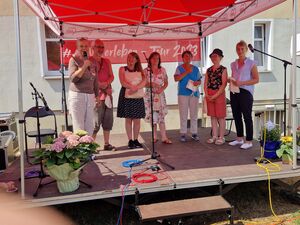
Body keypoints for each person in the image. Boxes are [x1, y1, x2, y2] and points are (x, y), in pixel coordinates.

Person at [229, 40, 259, 149]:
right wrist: (231, 80)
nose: (240, 51)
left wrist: (242, 82)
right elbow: (235, 78)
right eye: (238, 49)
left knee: (247, 116)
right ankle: (239, 138)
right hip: (234, 91)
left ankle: (249, 141)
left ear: (246, 50)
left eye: (242, 49)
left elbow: (256, 79)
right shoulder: (233, 64)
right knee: (236, 115)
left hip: (246, 92)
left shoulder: (251, 63)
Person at [68, 38, 98, 136]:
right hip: (77, 95)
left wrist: (97, 95)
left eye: (86, 46)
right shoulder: (73, 59)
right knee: (79, 125)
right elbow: (73, 79)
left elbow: (95, 79)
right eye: (81, 46)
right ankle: (80, 150)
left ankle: (88, 149)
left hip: (90, 96)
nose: (83, 48)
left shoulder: (91, 60)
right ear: (77, 47)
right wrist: (84, 67)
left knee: (90, 125)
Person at [117, 52, 146, 149]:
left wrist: (136, 88)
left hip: (137, 96)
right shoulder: (122, 69)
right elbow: (122, 82)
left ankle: (136, 139)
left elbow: (144, 82)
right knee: (128, 119)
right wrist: (132, 87)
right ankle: (130, 140)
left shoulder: (141, 71)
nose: (130, 60)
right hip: (127, 95)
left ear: (137, 60)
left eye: (133, 58)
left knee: (137, 119)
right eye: (129, 58)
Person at [91, 39, 115, 150]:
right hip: (96, 96)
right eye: (98, 47)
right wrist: (100, 85)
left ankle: (106, 143)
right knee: (95, 123)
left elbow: (112, 76)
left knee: (108, 121)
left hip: (108, 95)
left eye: (102, 47)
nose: (100, 49)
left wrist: (106, 83)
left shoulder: (107, 61)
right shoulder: (89, 61)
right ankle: (90, 146)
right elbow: (89, 78)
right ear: (93, 48)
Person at [144, 52, 172, 144]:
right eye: (153, 58)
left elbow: (166, 82)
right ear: (150, 59)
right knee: (153, 117)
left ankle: (164, 137)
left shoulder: (162, 70)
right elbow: (143, 83)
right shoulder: (146, 71)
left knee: (161, 116)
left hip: (159, 95)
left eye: (157, 58)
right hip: (150, 96)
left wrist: (162, 89)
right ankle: (154, 137)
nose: (155, 60)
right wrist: (151, 84)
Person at [174, 50, 202, 142]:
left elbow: (200, 80)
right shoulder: (179, 68)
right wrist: (186, 72)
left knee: (194, 114)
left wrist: (198, 82)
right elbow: (176, 78)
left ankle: (194, 132)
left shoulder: (196, 68)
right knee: (183, 114)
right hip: (183, 93)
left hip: (194, 93)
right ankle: (183, 133)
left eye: (189, 56)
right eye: (185, 56)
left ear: (191, 58)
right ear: (183, 58)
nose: (187, 58)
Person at [204, 49, 228, 145]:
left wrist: (215, 95)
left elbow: (223, 85)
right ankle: (214, 136)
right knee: (213, 116)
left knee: (220, 117)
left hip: (219, 94)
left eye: (216, 56)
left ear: (220, 58)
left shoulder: (223, 69)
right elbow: (205, 83)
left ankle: (221, 137)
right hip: (209, 94)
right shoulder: (208, 70)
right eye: (212, 56)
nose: (214, 58)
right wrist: (206, 94)